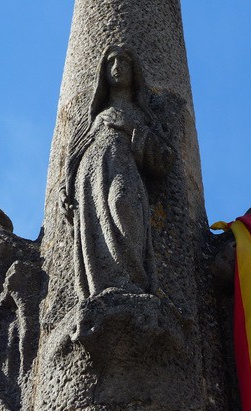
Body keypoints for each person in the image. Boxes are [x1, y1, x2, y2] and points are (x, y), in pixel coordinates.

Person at [61, 45, 174, 299]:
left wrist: (131, 127)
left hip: (122, 168)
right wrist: (64, 191)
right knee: (94, 226)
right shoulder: (94, 117)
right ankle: (102, 286)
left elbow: (165, 159)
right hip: (90, 177)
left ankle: (132, 281)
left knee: (123, 203)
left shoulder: (140, 115)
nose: (117, 68)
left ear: (134, 73)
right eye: (112, 62)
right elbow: (73, 157)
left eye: (124, 62)